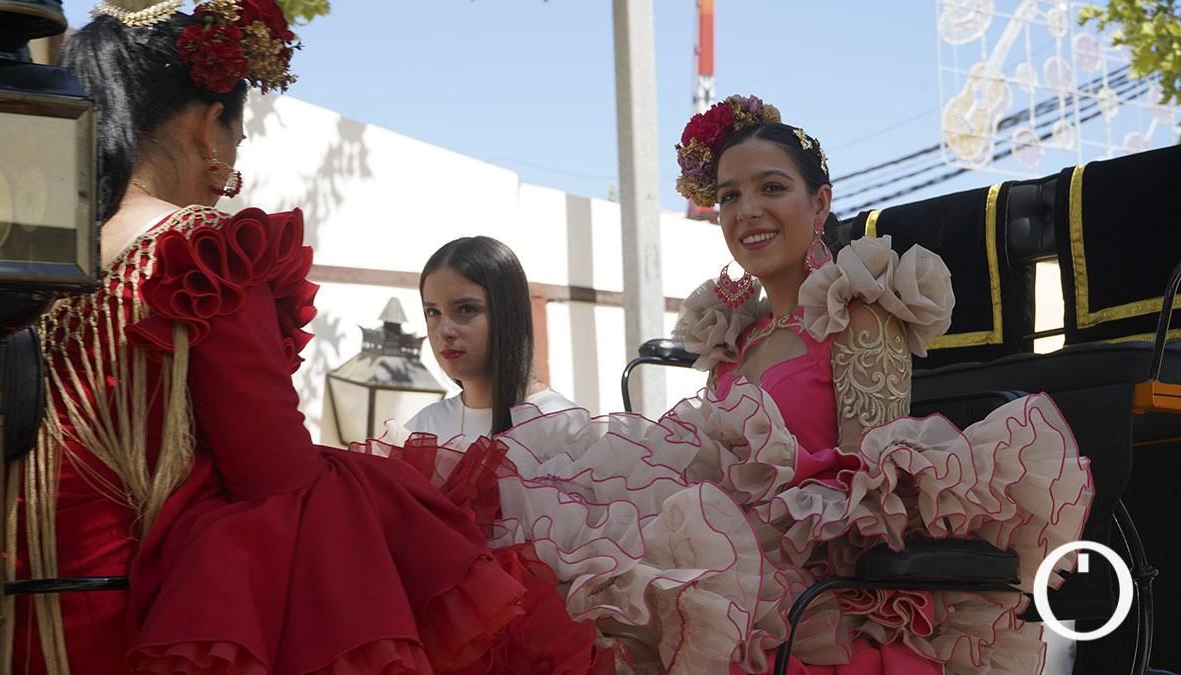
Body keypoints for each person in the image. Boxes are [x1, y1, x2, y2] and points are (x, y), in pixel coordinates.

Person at [0, 3, 598, 673]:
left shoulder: (44, 263)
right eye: (238, 135)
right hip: (155, 626)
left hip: (14, 615)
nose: (231, 161)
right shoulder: (200, 250)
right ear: (205, 128)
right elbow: (273, 470)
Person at [420, 95, 1093, 674]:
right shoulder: (734, 338)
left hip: (819, 587)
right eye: (731, 195)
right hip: (734, 564)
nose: (747, 211)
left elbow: (877, 491)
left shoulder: (860, 315)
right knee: (538, 547)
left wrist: (734, 527)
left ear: (820, 201)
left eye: (771, 188)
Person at [405, 236, 576, 443]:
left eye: (467, 309)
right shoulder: (422, 429)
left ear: (508, 313)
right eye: (433, 312)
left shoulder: (559, 423)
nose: (445, 330)